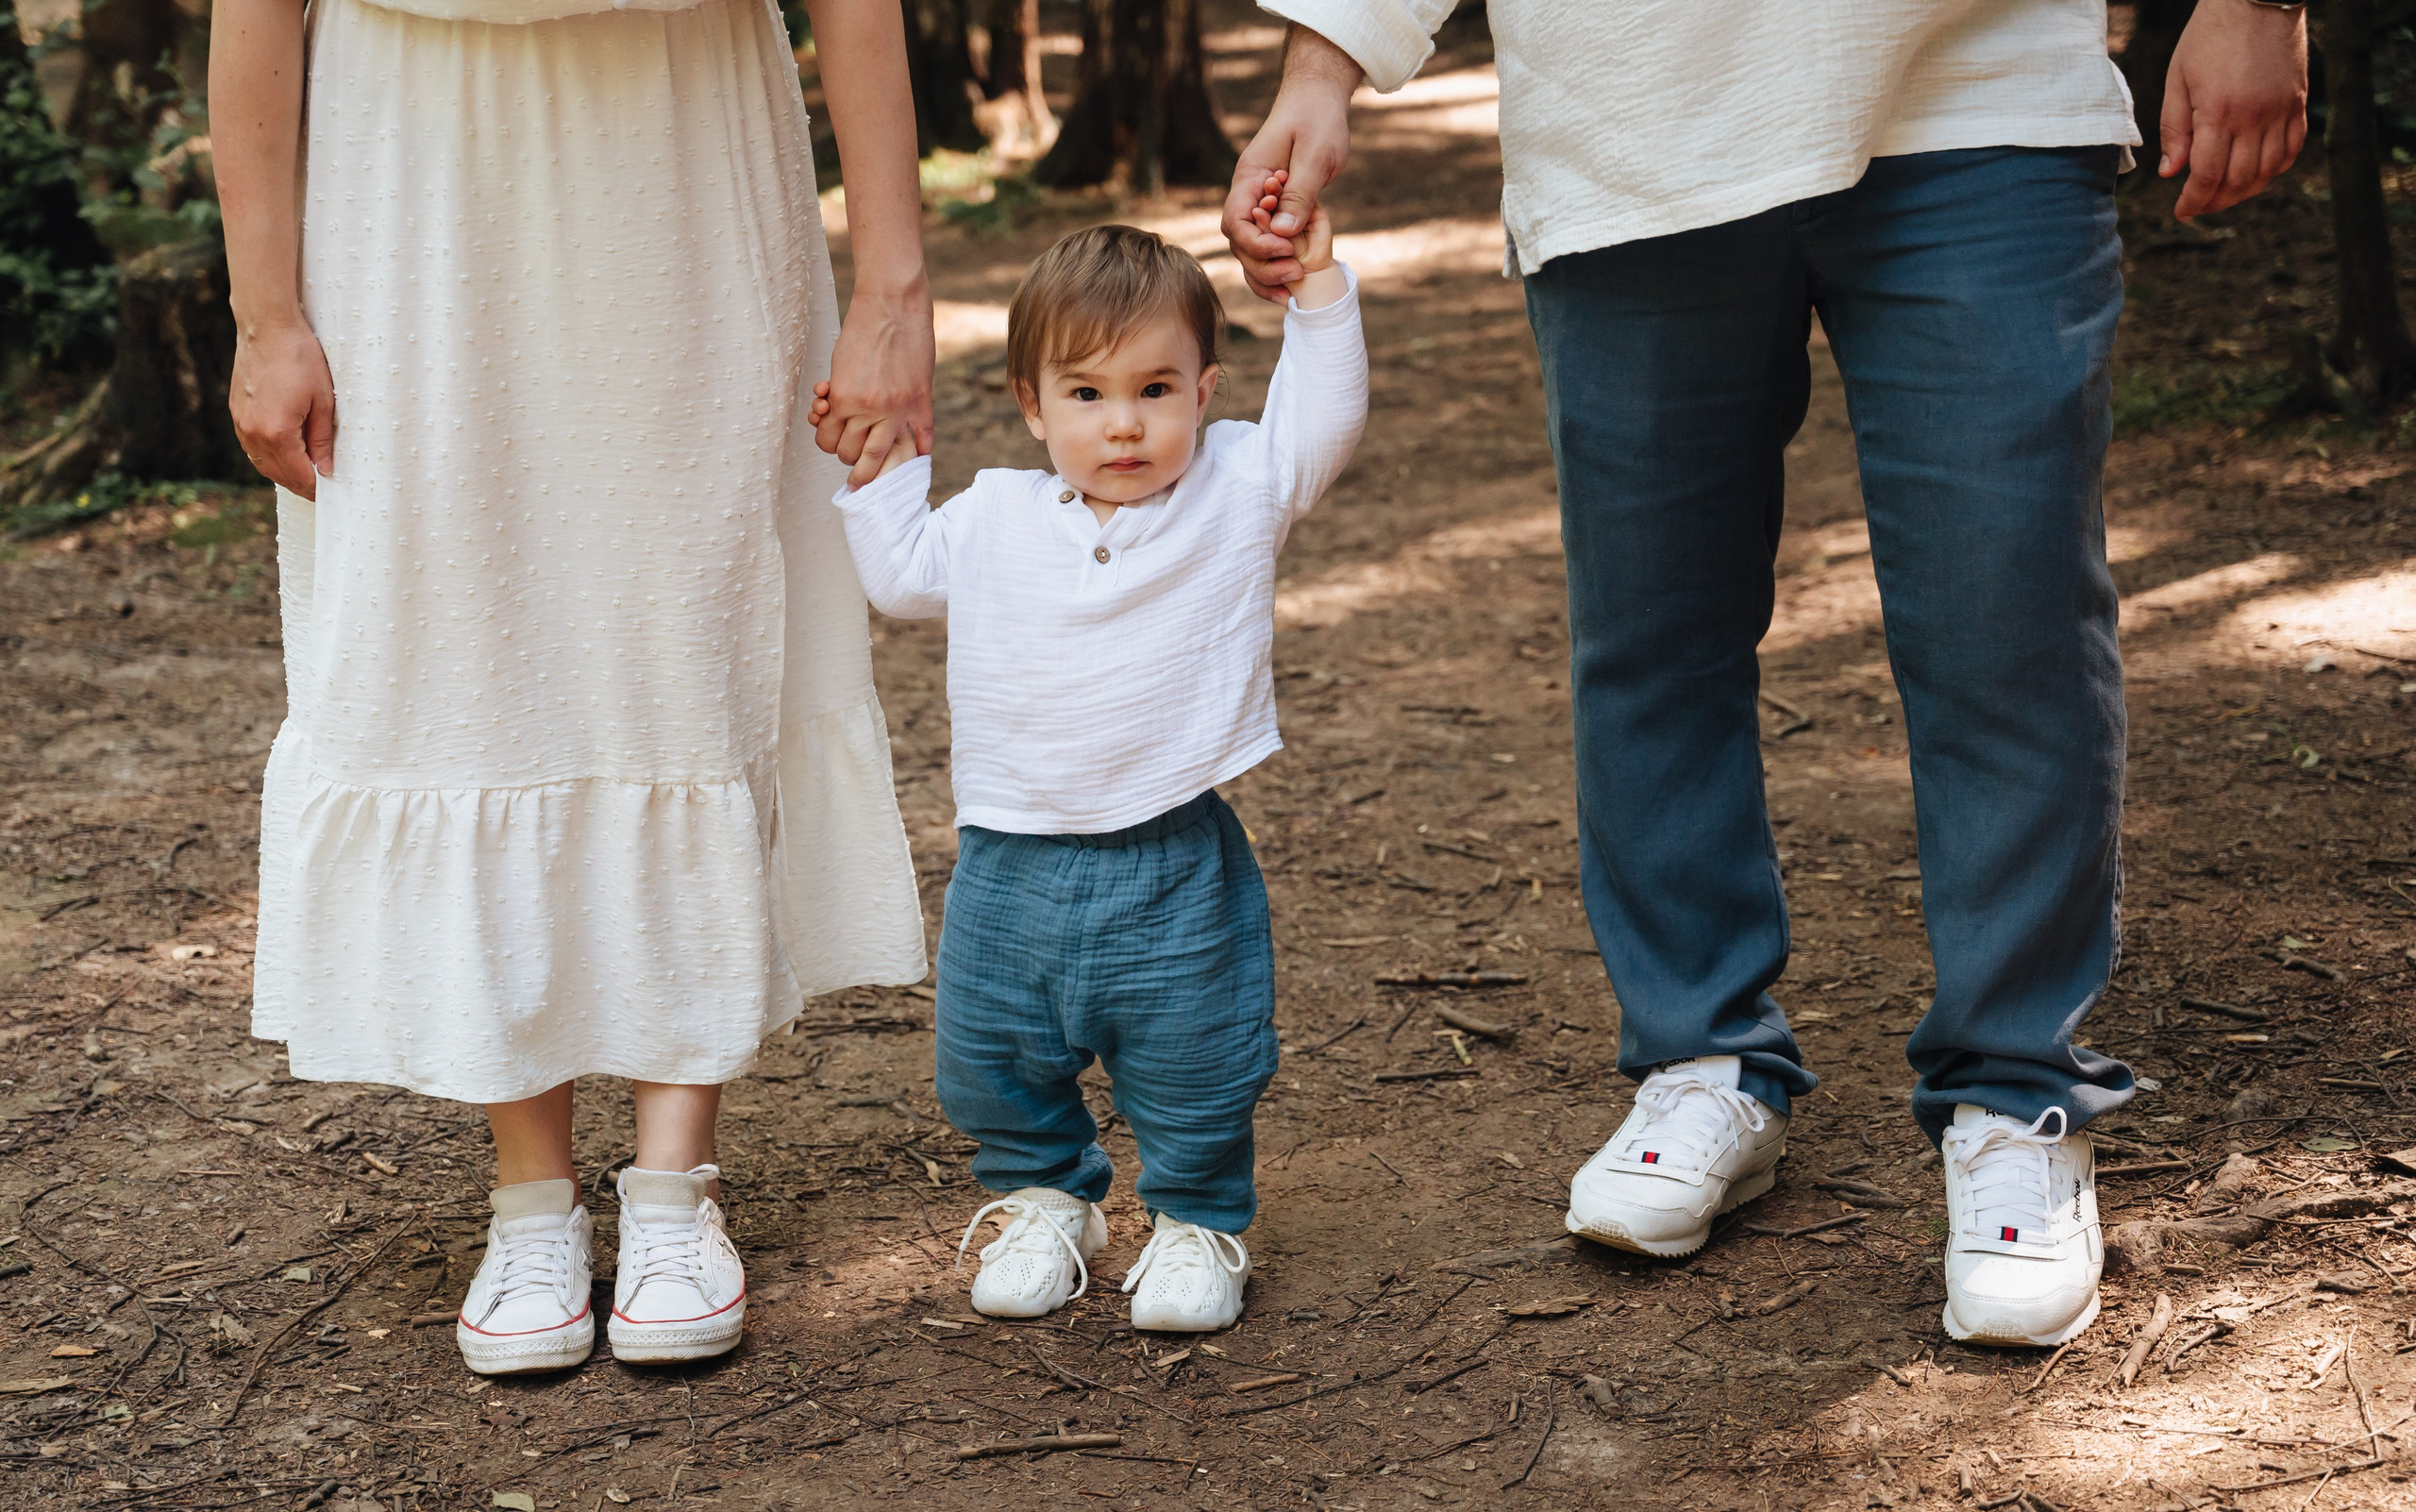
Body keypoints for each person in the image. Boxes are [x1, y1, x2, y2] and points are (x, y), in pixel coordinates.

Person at [1223, 0, 2307, 1347]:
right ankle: (1703, 1055)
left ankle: (2016, 1084)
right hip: (1633, 122)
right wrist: (1322, 64)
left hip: (1981, 93)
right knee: (1654, 631)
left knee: (2009, 618)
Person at [211, 0, 933, 1373]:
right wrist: (265, 308)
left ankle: (676, 1180)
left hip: (678, 124)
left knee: (688, 621)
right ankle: (530, 1189)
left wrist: (897, 290)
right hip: (404, 158)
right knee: (461, 644)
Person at [821, 211, 1366, 1331]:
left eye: (1155, 390)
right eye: (1086, 394)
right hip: (1006, 858)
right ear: (1032, 404)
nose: (1124, 424)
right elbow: (901, 577)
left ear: (1205, 391)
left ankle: (1197, 1220)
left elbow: (1321, 424)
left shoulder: (1236, 484)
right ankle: (1045, 1200)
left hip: (1171, 856)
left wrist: (1319, 294)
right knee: (989, 1057)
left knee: (1196, 1060)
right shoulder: (996, 517)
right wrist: (879, 466)